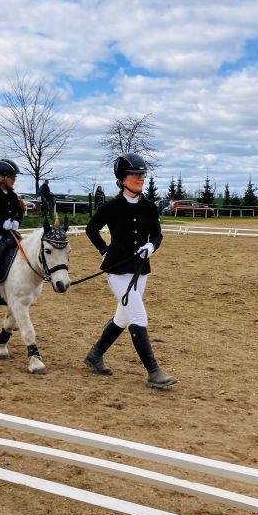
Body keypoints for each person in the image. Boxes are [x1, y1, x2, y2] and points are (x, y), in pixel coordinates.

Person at [84, 153, 177, 390]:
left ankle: (95, 355)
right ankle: (153, 372)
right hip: (117, 270)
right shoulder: (111, 206)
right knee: (138, 317)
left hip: (140, 270)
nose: (140, 178)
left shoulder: (149, 207)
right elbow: (91, 229)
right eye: (135, 174)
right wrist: (103, 250)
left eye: (142, 174)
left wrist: (151, 247)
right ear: (122, 179)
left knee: (123, 318)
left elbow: (157, 235)